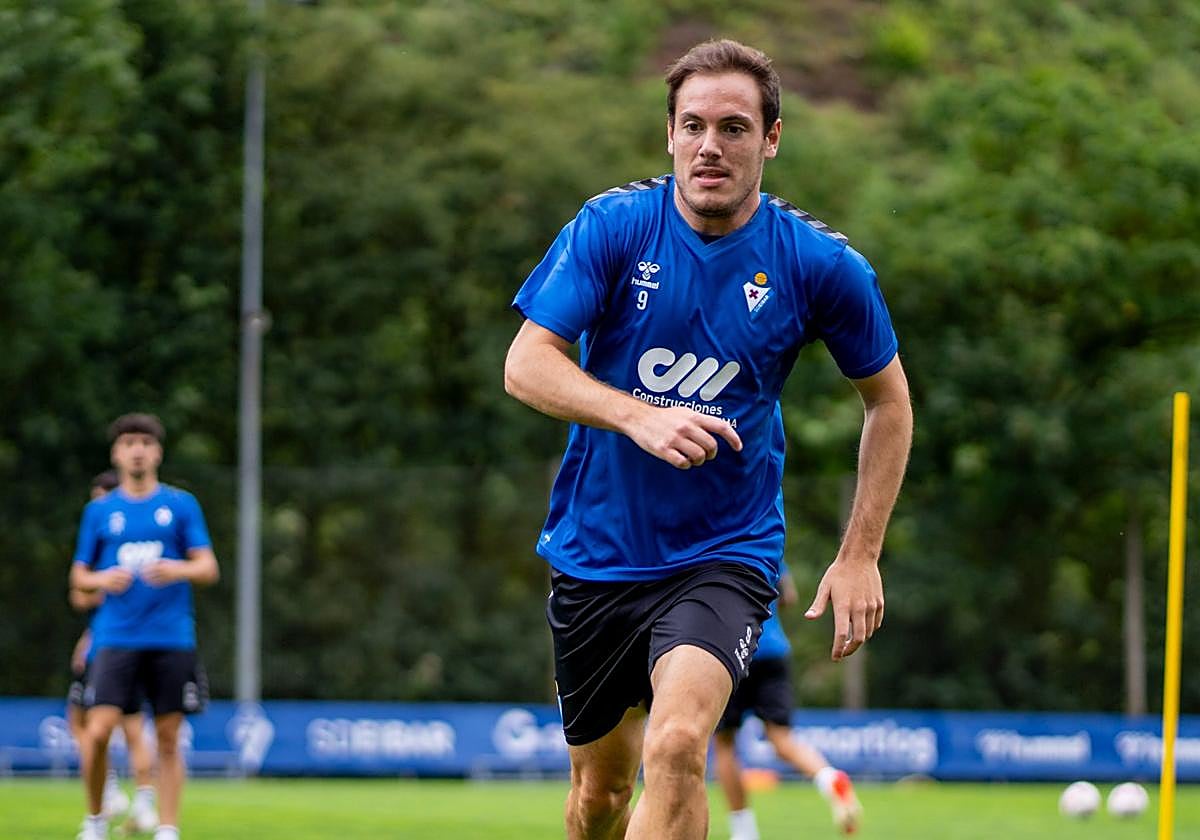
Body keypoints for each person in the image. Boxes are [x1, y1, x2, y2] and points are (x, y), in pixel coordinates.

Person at [504, 38, 912, 840]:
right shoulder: (614, 227)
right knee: (599, 798)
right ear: (668, 135)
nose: (709, 147)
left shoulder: (820, 265)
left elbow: (889, 403)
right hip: (597, 551)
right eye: (692, 126)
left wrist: (860, 552)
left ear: (771, 138)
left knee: (682, 741)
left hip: (727, 551)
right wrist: (636, 414)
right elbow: (525, 365)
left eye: (733, 127)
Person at [70, 414, 220, 840]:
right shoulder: (100, 512)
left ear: (157, 452)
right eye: (129, 442)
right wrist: (102, 578)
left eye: (145, 442)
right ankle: (96, 821)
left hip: (171, 636)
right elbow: (78, 579)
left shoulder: (180, 505)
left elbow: (209, 567)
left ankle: (168, 828)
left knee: (168, 737)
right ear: (116, 453)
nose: (137, 449)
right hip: (115, 638)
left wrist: (177, 569)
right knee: (97, 731)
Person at [713, 565, 862, 839]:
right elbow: (788, 597)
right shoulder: (769, 543)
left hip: (732, 649)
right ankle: (830, 779)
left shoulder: (718, 545)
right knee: (781, 739)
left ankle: (744, 831)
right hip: (773, 649)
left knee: (724, 745)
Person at [67, 470, 158, 832]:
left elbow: (83, 595)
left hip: (114, 647)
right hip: (107, 641)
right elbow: (79, 595)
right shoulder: (100, 541)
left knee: (94, 725)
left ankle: (116, 793)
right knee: (123, 726)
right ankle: (137, 799)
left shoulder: (122, 538)